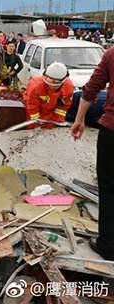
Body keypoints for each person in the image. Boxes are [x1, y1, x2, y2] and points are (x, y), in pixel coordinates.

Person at [71, 46, 114, 260]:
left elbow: (91, 89)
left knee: (108, 188)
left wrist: (79, 120)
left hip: (112, 131)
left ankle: (108, 245)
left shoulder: (112, 54)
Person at [24, 62, 74, 128]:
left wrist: (57, 122)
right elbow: (32, 107)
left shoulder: (68, 87)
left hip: (51, 111)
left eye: (55, 84)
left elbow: (63, 107)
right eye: (49, 82)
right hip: (33, 111)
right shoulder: (35, 86)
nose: (51, 86)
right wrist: (36, 123)